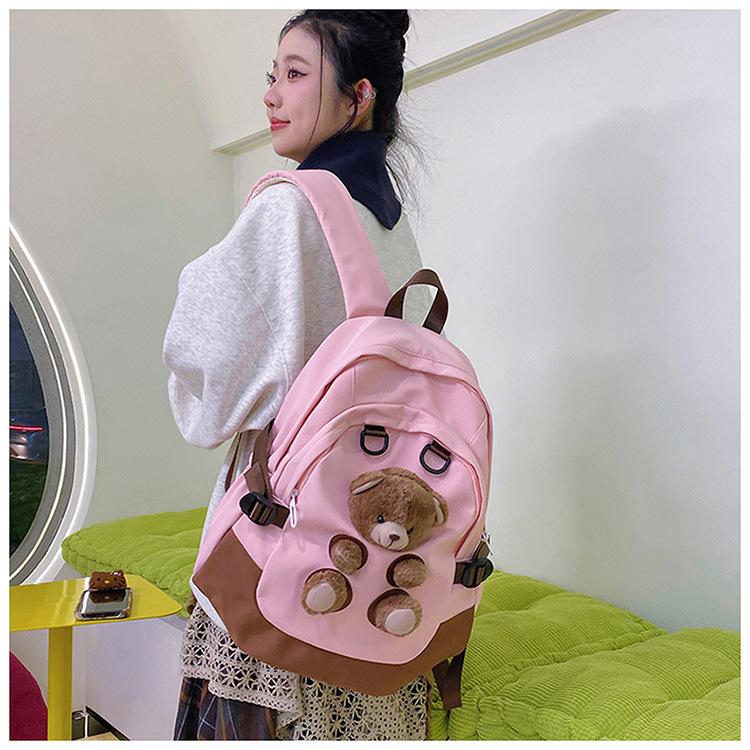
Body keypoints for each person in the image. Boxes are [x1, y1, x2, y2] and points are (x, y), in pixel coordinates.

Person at [163, 9, 431, 741]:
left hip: (282, 548)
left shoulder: (291, 206)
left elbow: (211, 380)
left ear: (358, 96)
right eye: (272, 75)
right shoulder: (391, 221)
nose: (271, 93)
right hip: (371, 557)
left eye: (295, 73)